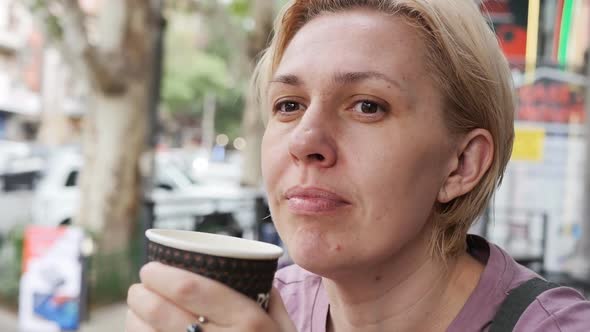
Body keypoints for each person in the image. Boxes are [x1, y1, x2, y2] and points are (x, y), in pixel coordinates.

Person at [125, 0, 590, 331]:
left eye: (367, 106)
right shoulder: (260, 305)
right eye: (288, 105)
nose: (305, 141)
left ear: (461, 164)